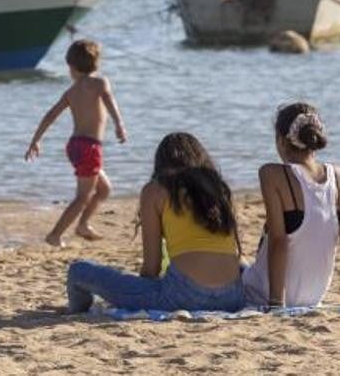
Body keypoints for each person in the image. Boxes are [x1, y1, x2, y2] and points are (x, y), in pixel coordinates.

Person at [65, 132, 245, 313]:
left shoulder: (155, 190)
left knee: (78, 271)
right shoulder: (217, 189)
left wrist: (143, 289)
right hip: (233, 296)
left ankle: (76, 312)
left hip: (185, 295)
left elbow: (152, 267)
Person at [244, 103, 340, 308]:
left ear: (281, 141)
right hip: (314, 295)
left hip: (268, 292)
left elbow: (278, 241)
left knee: (236, 263)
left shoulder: (272, 174)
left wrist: (276, 304)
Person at [25, 39, 127, 247]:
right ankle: (55, 235)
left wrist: (35, 140)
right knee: (82, 197)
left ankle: (83, 225)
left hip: (75, 146)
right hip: (89, 148)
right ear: (96, 63)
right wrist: (119, 124)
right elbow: (109, 100)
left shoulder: (71, 92)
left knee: (104, 189)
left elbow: (51, 115)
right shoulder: (100, 83)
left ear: (71, 67)